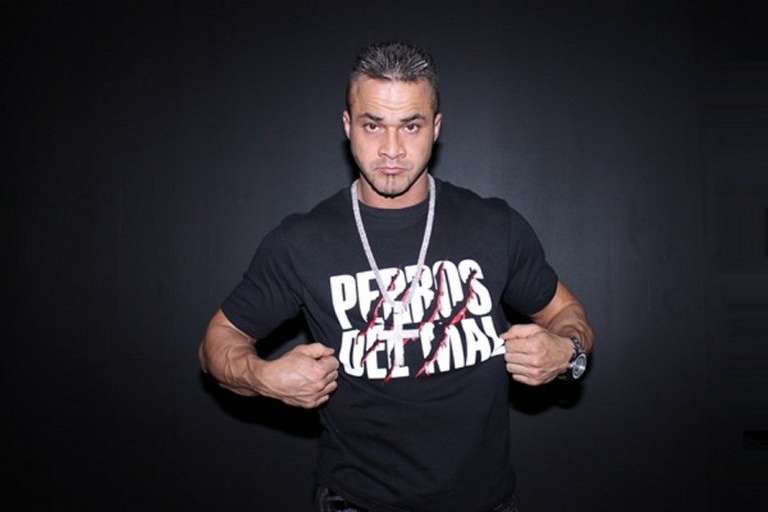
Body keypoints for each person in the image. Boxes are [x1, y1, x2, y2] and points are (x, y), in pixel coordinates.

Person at [198, 41, 595, 512]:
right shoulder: (302, 241)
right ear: (347, 126)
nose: (391, 150)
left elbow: (568, 314)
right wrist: (263, 376)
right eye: (373, 125)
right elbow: (216, 343)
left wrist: (567, 352)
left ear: (436, 128)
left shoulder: (494, 226)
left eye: (411, 125)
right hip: (357, 502)